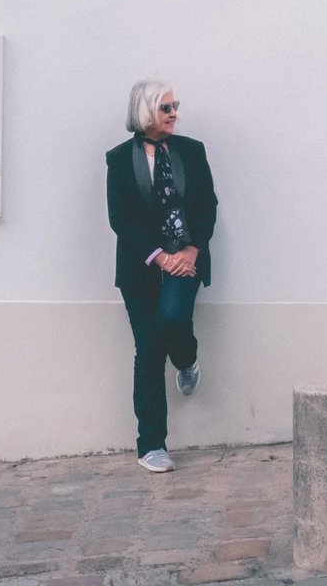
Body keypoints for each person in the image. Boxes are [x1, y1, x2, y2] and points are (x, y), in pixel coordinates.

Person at [105, 79, 219, 473]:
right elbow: (120, 218)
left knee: (173, 319)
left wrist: (190, 251)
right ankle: (151, 444)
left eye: (175, 106)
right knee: (148, 352)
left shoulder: (192, 150)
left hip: (185, 260)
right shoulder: (119, 159)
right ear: (145, 112)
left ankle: (187, 359)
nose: (174, 114)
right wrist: (158, 257)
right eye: (166, 108)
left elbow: (207, 204)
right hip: (141, 267)